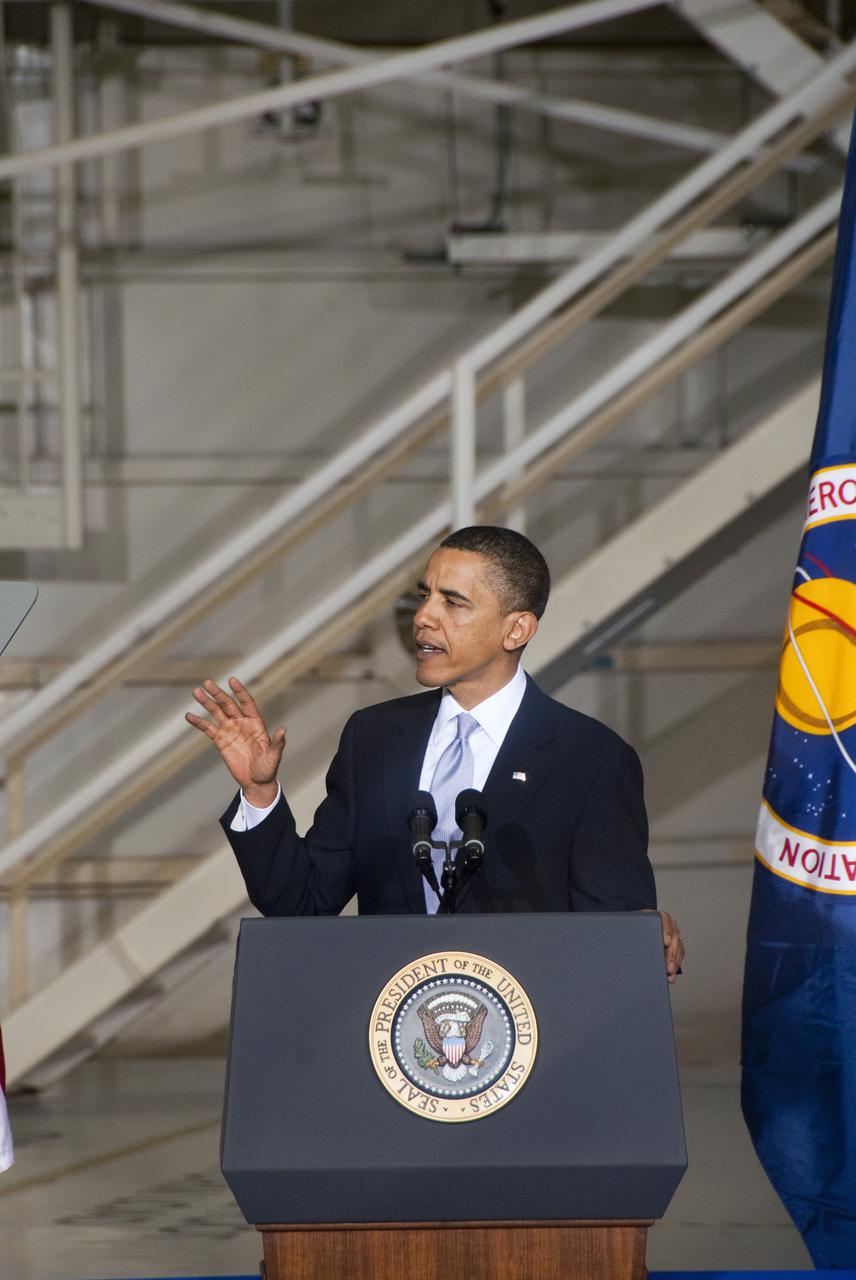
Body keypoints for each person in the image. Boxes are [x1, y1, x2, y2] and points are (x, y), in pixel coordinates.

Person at [187, 526, 684, 980]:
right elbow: (302, 904)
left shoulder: (591, 759)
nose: (423, 617)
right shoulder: (374, 738)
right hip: (388, 1028)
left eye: (454, 602)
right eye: (425, 596)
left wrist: (642, 933)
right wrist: (259, 793)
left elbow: (613, 936)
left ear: (516, 630)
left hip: (531, 1034)